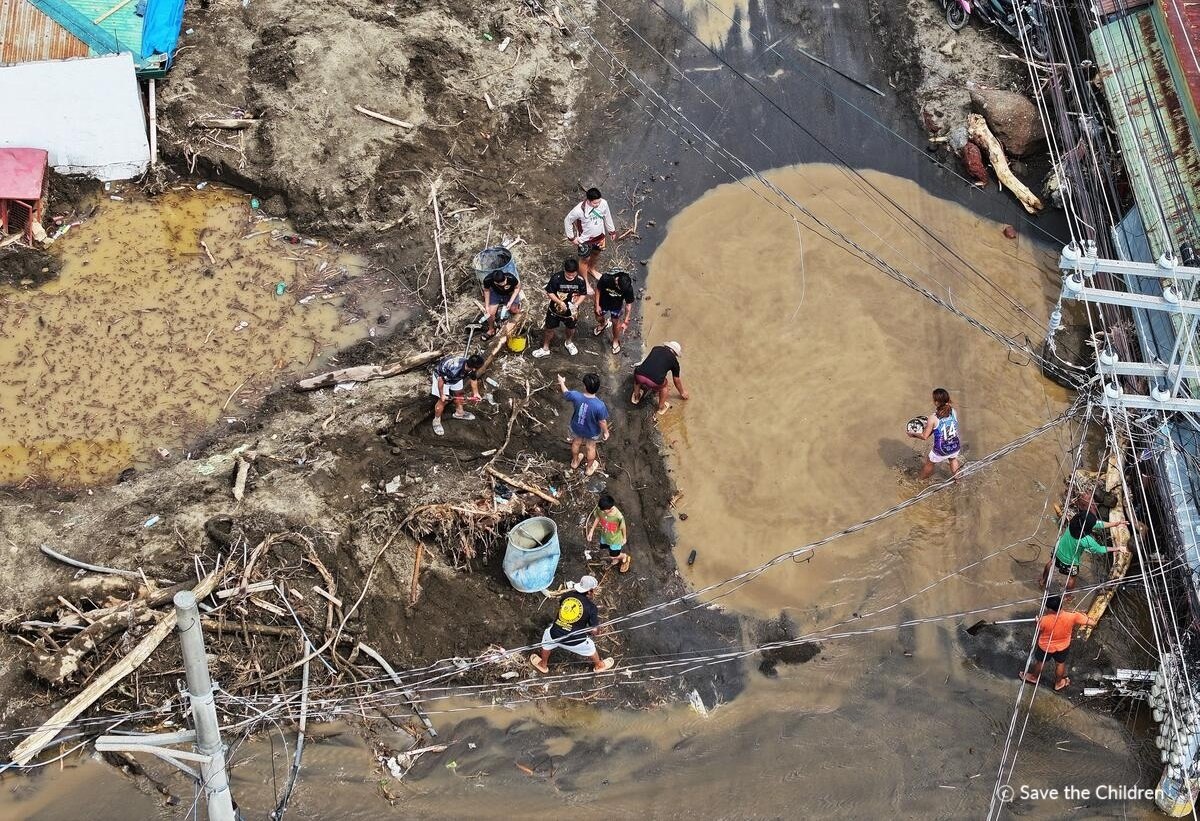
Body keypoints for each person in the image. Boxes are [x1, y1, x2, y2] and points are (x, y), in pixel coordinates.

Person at [530, 575, 615, 673]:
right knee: (591, 648)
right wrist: (597, 631)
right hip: (575, 641)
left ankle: (543, 665)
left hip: (555, 634)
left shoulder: (567, 596)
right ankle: (599, 665)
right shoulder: (591, 607)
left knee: (546, 639)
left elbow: (562, 607)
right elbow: (594, 631)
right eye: (594, 590)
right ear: (590, 591)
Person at [1019, 595, 1096, 691]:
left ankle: (1034, 678)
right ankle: (1059, 683)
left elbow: (1039, 629)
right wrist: (1084, 616)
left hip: (1045, 647)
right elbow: (1092, 623)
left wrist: (1037, 622)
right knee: (1060, 664)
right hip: (1063, 646)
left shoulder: (1043, 620)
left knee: (1041, 662)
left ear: (1050, 609)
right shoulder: (1073, 616)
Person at [1041, 511, 1127, 592]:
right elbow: (1100, 549)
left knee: (1051, 563)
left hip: (1058, 550)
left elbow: (1097, 524)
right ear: (1087, 528)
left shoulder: (1073, 523)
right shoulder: (1086, 540)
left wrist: (1116, 524)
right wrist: (1117, 548)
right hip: (1069, 561)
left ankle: (1043, 581)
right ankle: (1068, 596)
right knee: (1072, 577)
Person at [532, 258, 589, 358]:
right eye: (568, 274)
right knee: (549, 329)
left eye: (573, 275)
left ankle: (569, 342)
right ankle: (545, 348)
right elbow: (550, 292)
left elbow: (583, 294)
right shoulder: (556, 278)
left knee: (571, 328)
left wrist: (576, 304)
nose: (570, 277)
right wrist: (559, 302)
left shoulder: (580, 280)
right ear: (564, 270)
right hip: (555, 309)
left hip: (572, 311)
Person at [563, 187, 617, 291]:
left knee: (596, 253)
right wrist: (572, 237)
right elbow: (567, 220)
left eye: (598, 202)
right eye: (594, 203)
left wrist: (612, 231)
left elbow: (607, 216)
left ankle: (591, 269)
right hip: (585, 240)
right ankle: (585, 282)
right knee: (584, 260)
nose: (597, 205)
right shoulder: (579, 210)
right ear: (588, 200)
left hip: (600, 236)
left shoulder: (604, 203)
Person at [559, 372, 610, 476]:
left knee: (576, 443)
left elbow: (565, 392)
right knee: (590, 447)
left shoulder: (576, 396)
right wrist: (606, 432)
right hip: (591, 431)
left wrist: (561, 382)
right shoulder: (600, 406)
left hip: (576, 427)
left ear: (585, 386)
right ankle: (588, 469)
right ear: (597, 388)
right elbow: (602, 421)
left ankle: (574, 462)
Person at [909, 388, 962, 479]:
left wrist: (913, 434)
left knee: (930, 462)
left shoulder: (933, 418)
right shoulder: (953, 411)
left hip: (941, 448)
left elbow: (924, 436)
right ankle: (958, 480)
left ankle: (919, 480)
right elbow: (944, 425)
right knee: (953, 459)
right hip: (955, 445)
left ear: (937, 402)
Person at [429, 353, 483, 436]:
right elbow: (441, 381)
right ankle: (436, 421)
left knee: (459, 393)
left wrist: (476, 393)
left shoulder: (470, 368)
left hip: (456, 378)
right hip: (441, 378)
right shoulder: (453, 370)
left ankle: (459, 413)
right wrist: (442, 395)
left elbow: (473, 379)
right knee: (443, 401)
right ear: (474, 368)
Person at [631, 341, 689, 415]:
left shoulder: (656, 348)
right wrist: (682, 392)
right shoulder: (674, 361)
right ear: (675, 353)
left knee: (639, 374)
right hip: (654, 382)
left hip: (639, 376)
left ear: (667, 346)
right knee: (665, 386)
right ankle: (661, 407)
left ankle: (636, 397)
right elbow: (676, 380)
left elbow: (650, 362)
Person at [593, 269, 635, 354]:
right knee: (598, 317)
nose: (620, 289)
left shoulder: (628, 288)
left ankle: (615, 340)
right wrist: (597, 305)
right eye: (619, 287)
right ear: (616, 281)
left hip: (616, 306)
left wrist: (626, 321)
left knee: (616, 322)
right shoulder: (606, 278)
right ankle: (603, 323)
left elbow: (628, 305)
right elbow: (598, 290)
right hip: (603, 302)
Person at [587, 493, 630, 573]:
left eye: (604, 510)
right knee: (606, 549)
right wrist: (591, 530)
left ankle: (624, 556)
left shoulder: (618, 517)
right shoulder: (601, 509)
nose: (602, 511)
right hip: (605, 536)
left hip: (615, 539)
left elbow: (623, 527)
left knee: (613, 554)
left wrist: (624, 538)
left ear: (610, 508)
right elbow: (598, 517)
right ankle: (615, 559)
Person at [481, 268, 522, 337]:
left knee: (513, 309)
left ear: (505, 277)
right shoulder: (488, 280)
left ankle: (520, 312)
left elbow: (517, 287)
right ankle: (491, 329)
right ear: (495, 282)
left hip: (509, 293)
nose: (504, 284)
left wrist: (510, 301)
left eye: (504, 281)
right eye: (501, 283)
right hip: (496, 293)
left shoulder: (510, 277)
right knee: (490, 314)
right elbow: (486, 291)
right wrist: (487, 306)